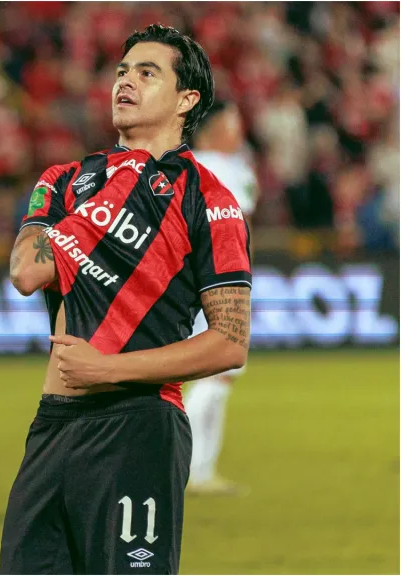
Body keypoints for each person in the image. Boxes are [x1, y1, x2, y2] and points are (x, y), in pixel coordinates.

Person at [3, 25, 251, 574]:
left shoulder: (209, 199)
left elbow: (230, 344)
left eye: (147, 72)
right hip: (52, 427)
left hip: (138, 425)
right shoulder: (67, 179)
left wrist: (108, 368)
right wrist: (116, 188)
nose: (126, 81)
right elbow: (26, 271)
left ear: (186, 100)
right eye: (121, 71)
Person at [182, 101, 258, 496]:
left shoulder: (179, 163)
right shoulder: (233, 169)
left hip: (181, 279)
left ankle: (199, 469)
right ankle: (189, 467)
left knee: (205, 375)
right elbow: (238, 230)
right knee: (217, 375)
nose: (239, 131)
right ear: (212, 130)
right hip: (221, 281)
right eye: (234, 123)